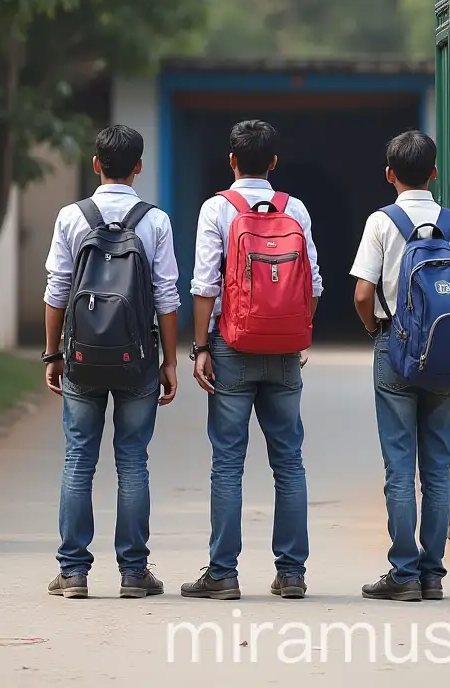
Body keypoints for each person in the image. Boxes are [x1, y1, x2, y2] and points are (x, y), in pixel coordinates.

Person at [182, 120, 322, 601]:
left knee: (228, 464)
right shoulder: (295, 208)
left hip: (232, 346)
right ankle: (292, 573)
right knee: (290, 463)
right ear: (274, 163)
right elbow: (314, 284)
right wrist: (298, 335)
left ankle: (223, 573)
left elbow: (205, 285)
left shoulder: (216, 208)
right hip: (284, 350)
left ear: (231, 160)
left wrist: (201, 347)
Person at [43, 125, 180, 600]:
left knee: (79, 459)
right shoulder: (155, 221)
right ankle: (133, 572)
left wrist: (53, 353)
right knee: (133, 462)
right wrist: (170, 361)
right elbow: (166, 295)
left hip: (81, 356)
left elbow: (57, 288)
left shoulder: (71, 217)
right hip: (137, 357)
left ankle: (74, 572)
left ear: (96, 164)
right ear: (138, 167)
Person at [350, 130, 450, 602]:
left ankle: (402, 573)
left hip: (395, 350)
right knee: (438, 467)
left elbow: (363, 293)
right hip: (445, 354)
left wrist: (373, 329)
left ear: (389, 174)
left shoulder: (382, 222)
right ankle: (433, 574)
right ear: (435, 172)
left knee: (399, 467)